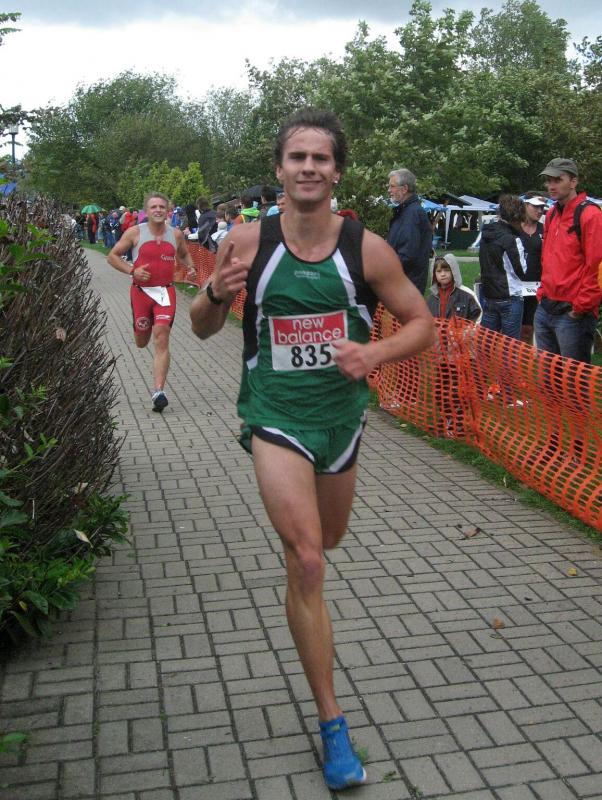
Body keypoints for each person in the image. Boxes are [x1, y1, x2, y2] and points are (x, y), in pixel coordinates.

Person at [189, 108, 434, 791]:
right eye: (297, 157)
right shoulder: (246, 242)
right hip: (274, 415)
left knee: (328, 539)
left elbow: (422, 324)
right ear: (279, 169)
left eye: (320, 158)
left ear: (337, 172)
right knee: (306, 559)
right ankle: (332, 724)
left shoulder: (367, 249)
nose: (308, 168)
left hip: (341, 420)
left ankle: (303, 563)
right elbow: (202, 327)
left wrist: (374, 353)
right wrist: (212, 292)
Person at [107, 192, 196, 412]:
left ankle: (159, 392)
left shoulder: (176, 234)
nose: (158, 210)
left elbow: (184, 254)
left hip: (165, 292)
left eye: (162, 207)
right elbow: (112, 256)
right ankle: (142, 332)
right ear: (146, 211)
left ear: (168, 211)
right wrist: (132, 271)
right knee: (141, 340)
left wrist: (191, 267)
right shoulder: (135, 232)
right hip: (141, 293)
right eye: (153, 207)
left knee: (162, 336)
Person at [535, 158, 602, 363]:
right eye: (548, 180)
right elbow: (547, 258)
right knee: (548, 376)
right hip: (547, 306)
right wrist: (542, 293)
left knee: (573, 378)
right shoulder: (551, 214)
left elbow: (597, 266)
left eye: (557, 180)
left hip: (572, 312)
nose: (551, 186)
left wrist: (580, 308)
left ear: (573, 182)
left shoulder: (590, 214)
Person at [479, 194, 527, 340]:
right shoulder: (512, 239)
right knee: (509, 347)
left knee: (486, 345)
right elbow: (521, 270)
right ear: (517, 218)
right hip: (509, 296)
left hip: (489, 295)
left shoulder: (486, 235)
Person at [386, 168, 433, 295]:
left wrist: (384, 271)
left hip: (406, 286)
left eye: (392, 186)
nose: (389, 190)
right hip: (404, 284)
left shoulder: (412, 214)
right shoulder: (405, 212)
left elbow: (407, 254)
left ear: (404, 189)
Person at [519, 194, 546, 344]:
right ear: (525, 205)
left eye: (542, 207)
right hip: (515, 285)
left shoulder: (544, 229)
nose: (540, 211)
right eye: (535, 206)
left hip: (536, 285)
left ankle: (525, 355)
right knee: (511, 327)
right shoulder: (513, 228)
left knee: (528, 328)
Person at [426, 253, 482, 321]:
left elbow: (477, 315)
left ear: (453, 271)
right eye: (439, 271)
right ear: (434, 274)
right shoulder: (431, 298)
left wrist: (468, 327)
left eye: (446, 270)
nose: (443, 274)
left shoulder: (467, 295)